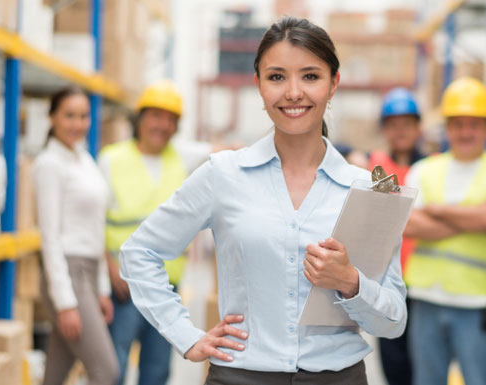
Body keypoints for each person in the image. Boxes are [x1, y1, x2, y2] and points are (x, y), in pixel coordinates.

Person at [118, 16, 407, 385]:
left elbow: (394, 320)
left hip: (337, 377)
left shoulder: (369, 191)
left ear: (334, 83)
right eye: (276, 77)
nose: (293, 92)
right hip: (239, 375)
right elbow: (139, 253)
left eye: (310, 76)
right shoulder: (224, 174)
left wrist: (350, 282)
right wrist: (185, 335)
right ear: (258, 85)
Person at [403, 77, 486, 385]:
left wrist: (436, 210)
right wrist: (476, 216)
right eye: (458, 124)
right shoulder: (424, 170)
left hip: (476, 304)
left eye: (474, 124)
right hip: (426, 299)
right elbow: (408, 223)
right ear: (447, 128)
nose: (466, 132)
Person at [98, 80, 211, 385]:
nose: (162, 125)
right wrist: (108, 268)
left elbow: (228, 153)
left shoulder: (181, 158)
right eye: (156, 116)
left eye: (170, 119)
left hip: (167, 287)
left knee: (157, 370)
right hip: (124, 287)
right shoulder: (112, 159)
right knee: (114, 368)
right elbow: (93, 223)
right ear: (140, 118)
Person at [34, 87, 118, 385]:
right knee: (106, 371)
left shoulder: (83, 159)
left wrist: (102, 289)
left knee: (55, 375)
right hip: (67, 274)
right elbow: (50, 237)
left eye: (83, 116)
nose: (77, 124)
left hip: (88, 272)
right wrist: (65, 302)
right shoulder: (49, 164)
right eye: (69, 116)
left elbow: (95, 228)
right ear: (53, 117)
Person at [372, 87, 425, 385]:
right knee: (394, 366)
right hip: (387, 284)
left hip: (423, 285)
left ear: (418, 128)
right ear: (384, 129)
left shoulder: (431, 168)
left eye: (407, 124)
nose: (400, 131)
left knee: (424, 365)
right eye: (393, 125)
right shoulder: (375, 167)